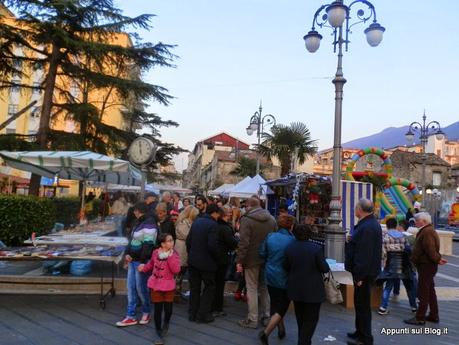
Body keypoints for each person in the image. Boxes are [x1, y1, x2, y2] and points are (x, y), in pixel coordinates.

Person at [345, 198, 382, 345]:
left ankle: (365, 338)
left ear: (360, 209)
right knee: (359, 304)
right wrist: (352, 239)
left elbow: (364, 254)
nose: (355, 210)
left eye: (356, 208)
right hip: (365, 272)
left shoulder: (367, 226)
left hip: (364, 274)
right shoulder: (369, 224)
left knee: (363, 306)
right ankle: (359, 332)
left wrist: (359, 276)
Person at [285, 224, 330, 345]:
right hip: (313, 289)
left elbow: (286, 266)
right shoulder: (315, 248)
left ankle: (304, 339)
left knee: (300, 317)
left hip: (296, 288)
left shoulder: (290, 248)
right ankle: (304, 341)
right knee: (311, 319)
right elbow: (324, 268)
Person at [236, 197, 277, 329]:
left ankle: (252, 319)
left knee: (252, 288)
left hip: (251, 259)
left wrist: (239, 261)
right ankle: (266, 316)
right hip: (267, 258)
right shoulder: (271, 219)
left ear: (248, 206)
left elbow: (244, 243)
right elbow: (274, 239)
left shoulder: (247, 220)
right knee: (264, 288)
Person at [116, 202, 158, 327]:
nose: (134, 212)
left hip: (140, 262)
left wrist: (143, 261)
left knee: (141, 289)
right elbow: (132, 240)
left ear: (140, 210)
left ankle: (146, 312)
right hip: (134, 261)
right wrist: (128, 254)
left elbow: (148, 244)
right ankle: (131, 315)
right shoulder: (138, 222)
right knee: (131, 289)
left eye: (135, 210)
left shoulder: (149, 223)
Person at [258, 214, 296, 345]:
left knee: (275, 302)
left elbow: (262, 253)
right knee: (283, 307)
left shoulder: (270, 236)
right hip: (284, 276)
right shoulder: (292, 240)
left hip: (270, 273)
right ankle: (266, 332)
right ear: (291, 226)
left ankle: (281, 329)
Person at [404, 212, 447, 325]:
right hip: (428, 265)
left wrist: (437, 259)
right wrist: (437, 259)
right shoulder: (428, 230)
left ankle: (420, 317)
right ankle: (433, 315)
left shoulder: (427, 231)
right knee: (430, 290)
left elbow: (430, 249)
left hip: (426, 265)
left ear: (423, 221)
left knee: (423, 291)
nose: (416, 222)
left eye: (417, 221)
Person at [138, 233, 181, 345]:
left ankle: (166, 322)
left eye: (172, 240)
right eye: (169, 241)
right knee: (157, 309)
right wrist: (143, 268)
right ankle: (158, 331)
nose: (171, 242)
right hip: (156, 285)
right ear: (162, 243)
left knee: (168, 310)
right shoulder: (155, 252)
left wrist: (170, 256)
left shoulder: (174, 254)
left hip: (168, 286)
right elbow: (151, 264)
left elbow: (176, 270)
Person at [186, 204, 219, 323]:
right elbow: (212, 246)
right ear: (214, 213)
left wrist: (191, 254)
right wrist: (217, 258)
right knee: (209, 288)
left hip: (193, 261)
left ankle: (192, 314)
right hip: (207, 263)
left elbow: (188, 241)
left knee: (194, 288)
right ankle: (202, 314)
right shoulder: (213, 225)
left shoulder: (197, 222)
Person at [377, 217, 417, 315]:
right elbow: (407, 249)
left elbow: (383, 253)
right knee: (409, 287)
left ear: (386, 226)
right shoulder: (403, 236)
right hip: (403, 264)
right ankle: (414, 307)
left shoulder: (385, 236)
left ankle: (383, 307)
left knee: (388, 286)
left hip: (391, 264)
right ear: (396, 225)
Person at [212, 205, 239, 317]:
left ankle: (215, 306)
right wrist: (237, 239)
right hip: (222, 258)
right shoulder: (225, 227)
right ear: (224, 214)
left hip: (215, 257)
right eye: (229, 212)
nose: (231, 214)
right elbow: (232, 243)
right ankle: (217, 308)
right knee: (219, 284)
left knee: (216, 283)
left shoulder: (216, 225)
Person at [175, 206, 199, 296]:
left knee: (181, 271)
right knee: (179, 271)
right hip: (181, 248)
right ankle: (176, 291)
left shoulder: (187, 222)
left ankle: (177, 290)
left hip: (184, 248)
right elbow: (187, 235)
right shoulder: (183, 222)